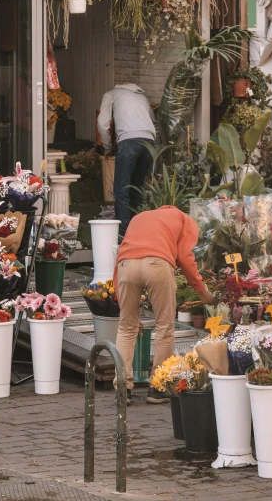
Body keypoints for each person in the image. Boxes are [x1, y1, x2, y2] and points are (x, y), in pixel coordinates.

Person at [113, 205, 215, 405]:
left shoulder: (140, 216)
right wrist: (201, 289)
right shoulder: (185, 220)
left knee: (126, 327)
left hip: (126, 266)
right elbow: (185, 257)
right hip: (158, 265)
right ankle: (158, 388)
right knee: (164, 326)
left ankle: (123, 390)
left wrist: (122, 305)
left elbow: (119, 259)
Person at [97, 84, 156, 237]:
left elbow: (102, 124)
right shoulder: (142, 96)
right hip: (149, 141)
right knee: (137, 188)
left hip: (129, 140)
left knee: (122, 188)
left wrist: (107, 147)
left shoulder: (110, 94)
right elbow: (153, 121)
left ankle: (123, 235)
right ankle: (137, 231)